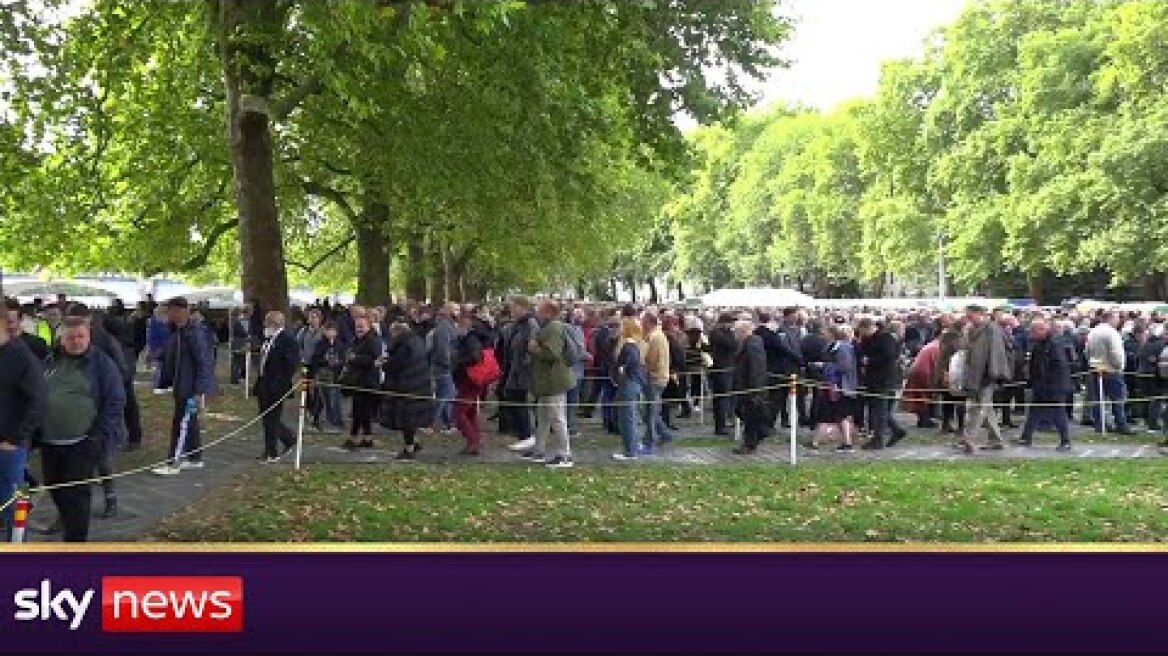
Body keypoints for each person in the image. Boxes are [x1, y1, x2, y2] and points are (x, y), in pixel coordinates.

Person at [40, 317, 125, 542]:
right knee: (54, 487)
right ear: (61, 339)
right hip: (50, 441)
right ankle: (67, 523)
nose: (77, 341)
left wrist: (97, 436)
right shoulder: (50, 360)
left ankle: (76, 543)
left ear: (89, 336)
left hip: (82, 442)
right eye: (71, 337)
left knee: (76, 495)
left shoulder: (102, 364)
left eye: (81, 336)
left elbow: (115, 401)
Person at [151, 297, 215, 476]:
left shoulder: (194, 333)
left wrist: (199, 390)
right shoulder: (177, 331)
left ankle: (174, 462)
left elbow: (203, 361)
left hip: (189, 388)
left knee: (182, 424)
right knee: (189, 421)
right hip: (181, 385)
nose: (168, 314)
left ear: (181, 311)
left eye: (170, 311)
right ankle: (195, 457)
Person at [0, 305, 46, 541]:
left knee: (15, 503)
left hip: (10, 446)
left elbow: (38, 401)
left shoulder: (21, 356)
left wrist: (15, 438)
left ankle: (19, 548)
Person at [522, 299, 576, 468]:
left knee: (557, 418)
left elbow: (552, 353)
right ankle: (539, 450)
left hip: (555, 381)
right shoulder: (548, 327)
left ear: (548, 312)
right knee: (543, 417)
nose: (536, 311)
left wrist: (533, 348)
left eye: (540, 309)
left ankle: (565, 455)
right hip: (546, 382)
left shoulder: (554, 328)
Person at [958, 304, 1011, 454]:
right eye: (967, 316)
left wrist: (993, 373)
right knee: (986, 408)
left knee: (978, 407)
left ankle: (969, 438)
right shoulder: (970, 330)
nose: (968, 319)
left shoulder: (991, 329)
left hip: (987, 374)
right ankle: (996, 440)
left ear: (980, 314)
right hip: (973, 374)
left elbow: (996, 352)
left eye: (970, 316)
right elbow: (964, 350)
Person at [1016, 319, 1073, 451]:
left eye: (1033, 331)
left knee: (1058, 413)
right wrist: (1032, 382)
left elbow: (1058, 367)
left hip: (1054, 386)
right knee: (1034, 411)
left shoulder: (1053, 344)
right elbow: (1035, 365)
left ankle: (1065, 441)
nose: (1031, 333)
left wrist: (1048, 384)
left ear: (1042, 330)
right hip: (1041, 385)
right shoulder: (1039, 344)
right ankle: (1026, 437)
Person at [380, 322, 435, 461]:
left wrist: (384, 364)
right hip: (419, 384)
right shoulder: (417, 341)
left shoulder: (404, 345)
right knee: (412, 418)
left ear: (396, 333)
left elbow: (396, 364)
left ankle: (409, 448)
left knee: (406, 419)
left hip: (408, 386)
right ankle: (415, 442)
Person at [254, 311, 299, 463]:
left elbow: (290, 365)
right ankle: (286, 438)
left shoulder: (287, 340)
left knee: (272, 417)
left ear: (275, 324)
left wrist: (279, 383)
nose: (264, 326)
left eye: (267, 323)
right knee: (266, 416)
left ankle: (271, 451)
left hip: (276, 386)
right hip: (263, 383)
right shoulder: (268, 339)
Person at [807, 323, 859, 451]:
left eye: (825, 332)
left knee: (830, 415)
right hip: (830, 385)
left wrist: (824, 366)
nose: (823, 334)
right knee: (838, 415)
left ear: (832, 334)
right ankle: (846, 443)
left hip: (839, 387)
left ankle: (816, 442)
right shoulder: (830, 347)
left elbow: (845, 367)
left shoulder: (843, 348)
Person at [857, 318, 906, 450]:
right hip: (874, 379)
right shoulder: (869, 339)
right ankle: (896, 430)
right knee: (879, 409)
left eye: (861, 330)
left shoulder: (885, 338)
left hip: (883, 379)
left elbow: (889, 356)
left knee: (880, 410)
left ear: (867, 328)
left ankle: (878, 439)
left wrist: (870, 361)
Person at [502, 297, 541, 453]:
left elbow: (532, 347)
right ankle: (522, 434)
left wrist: (526, 363)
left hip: (523, 371)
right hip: (514, 369)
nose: (512, 311)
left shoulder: (531, 324)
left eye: (514, 307)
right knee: (513, 399)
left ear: (522, 308)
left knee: (520, 401)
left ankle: (527, 435)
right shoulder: (518, 325)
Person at [452, 312, 493, 456]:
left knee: (459, 412)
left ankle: (473, 440)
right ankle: (474, 441)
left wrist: (459, 361)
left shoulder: (471, 339)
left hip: (469, 379)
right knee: (469, 412)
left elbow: (475, 357)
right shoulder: (476, 337)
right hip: (474, 380)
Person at [1085, 311, 1132, 434]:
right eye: (1117, 318)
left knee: (1098, 399)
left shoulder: (1093, 331)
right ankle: (1121, 424)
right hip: (1111, 369)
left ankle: (1100, 425)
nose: (1118, 320)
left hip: (1095, 368)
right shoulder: (1112, 333)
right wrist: (1120, 366)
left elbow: (1087, 351)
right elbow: (1116, 352)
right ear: (1110, 318)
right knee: (1118, 399)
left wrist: (1091, 361)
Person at [342, 311, 383, 450]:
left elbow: (374, 359)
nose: (358, 329)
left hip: (367, 381)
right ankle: (367, 438)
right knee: (361, 410)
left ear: (368, 326)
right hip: (357, 379)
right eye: (357, 326)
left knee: (359, 411)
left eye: (361, 327)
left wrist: (355, 358)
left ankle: (353, 438)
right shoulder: (357, 339)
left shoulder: (373, 340)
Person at [611, 318, 648, 461]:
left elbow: (631, 360)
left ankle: (630, 451)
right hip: (633, 384)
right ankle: (633, 446)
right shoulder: (634, 345)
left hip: (628, 384)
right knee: (631, 417)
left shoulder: (628, 346)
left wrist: (623, 369)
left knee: (627, 419)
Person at [732, 319, 769, 456]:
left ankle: (751, 442)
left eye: (736, 331)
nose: (735, 335)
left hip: (751, 387)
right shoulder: (747, 343)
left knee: (751, 417)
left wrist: (755, 390)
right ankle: (754, 437)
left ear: (743, 331)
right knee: (744, 413)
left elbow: (757, 368)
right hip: (744, 386)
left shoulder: (753, 344)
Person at [641, 312, 674, 451]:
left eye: (643, 322)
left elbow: (652, 359)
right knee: (650, 410)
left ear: (649, 323)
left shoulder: (655, 337)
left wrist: (644, 366)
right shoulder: (659, 335)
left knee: (650, 411)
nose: (642, 324)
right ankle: (665, 434)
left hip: (655, 377)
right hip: (659, 376)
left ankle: (649, 441)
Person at [309, 322, 346, 433]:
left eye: (332, 330)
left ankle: (334, 421)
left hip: (335, 375)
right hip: (322, 375)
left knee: (333, 399)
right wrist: (326, 361)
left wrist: (338, 363)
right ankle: (316, 419)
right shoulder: (320, 344)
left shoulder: (339, 345)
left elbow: (343, 359)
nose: (330, 332)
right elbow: (315, 359)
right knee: (320, 398)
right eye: (328, 330)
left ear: (336, 332)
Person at [427, 303, 458, 435]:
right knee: (443, 396)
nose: (458, 312)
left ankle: (448, 423)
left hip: (446, 367)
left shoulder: (449, 326)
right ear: (449, 311)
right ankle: (430, 423)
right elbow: (442, 349)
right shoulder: (443, 328)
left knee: (447, 395)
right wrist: (448, 364)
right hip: (443, 368)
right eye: (456, 309)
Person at [934, 320, 968, 436]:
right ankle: (959, 427)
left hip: (949, 372)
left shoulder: (947, 337)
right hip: (953, 373)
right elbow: (947, 357)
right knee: (958, 401)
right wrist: (945, 372)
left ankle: (947, 425)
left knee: (948, 401)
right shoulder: (956, 339)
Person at [707, 313, 739, 437]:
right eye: (730, 322)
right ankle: (720, 426)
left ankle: (724, 422)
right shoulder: (717, 334)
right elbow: (733, 344)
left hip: (727, 369)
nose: (732, 325)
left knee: (726, 398)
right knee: (722, 399)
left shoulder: (724, 333)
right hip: (722, 370)